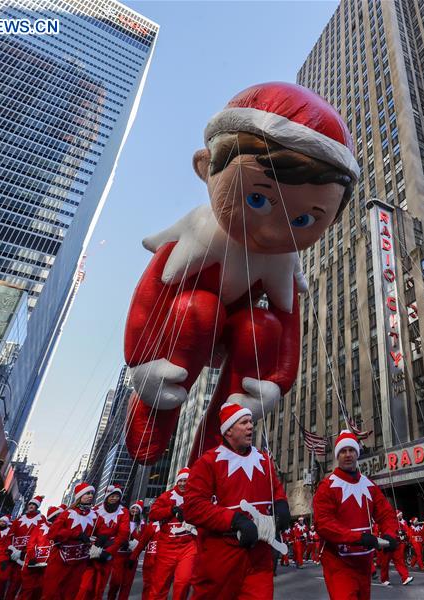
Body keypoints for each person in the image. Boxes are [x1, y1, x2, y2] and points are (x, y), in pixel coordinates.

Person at [123, 82, 359, 465]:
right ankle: (154, 411)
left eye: (302, 220)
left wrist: (275, 381)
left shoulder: (282, 262)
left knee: (262, 327)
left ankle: (217, 446)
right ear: (206, 167)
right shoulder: (199, 233)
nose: (272, 233)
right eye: (256, 198)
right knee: (198, 308)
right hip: (185, 328)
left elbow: (288, 328)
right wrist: (140, 359)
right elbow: (151, 295)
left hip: (237, 333)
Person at [182, 402, 292, 599]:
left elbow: (276, 489)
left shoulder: (264, 460)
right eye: (244, 423)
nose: (250, 426)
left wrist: (281, 504)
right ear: (228, 431)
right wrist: (234, 520)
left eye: (251, 422)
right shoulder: (208, 462)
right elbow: (192, 506)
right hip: (221, 557)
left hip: (259, 556)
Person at [313, 430, 400, 599]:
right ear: (337, 456)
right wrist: (358, 538)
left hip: (364, 563)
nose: (348, 455)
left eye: (351, 450)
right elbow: (323, 523)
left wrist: (390, 534)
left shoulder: (369, 485)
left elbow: (386, 514)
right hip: (338, 564)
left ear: (357, 453)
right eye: (343, 451)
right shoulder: (327, 486)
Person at [148, 467, 197, 599]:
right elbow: (152, 514)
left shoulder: (196, 496)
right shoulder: (166, 496)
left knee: (184, 582)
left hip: (188, 547)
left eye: (186, 480)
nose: (183, 484)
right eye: (180, 481)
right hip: (166, 548)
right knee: (159, 586)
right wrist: (171, 510)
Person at [44, 483, 98, 599]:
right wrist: (76, 534)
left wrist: (100, 541)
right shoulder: (67, 513)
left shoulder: (95, 516)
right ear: (79, 496)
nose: (90, 496)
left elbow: (102, 533)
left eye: (91, 493)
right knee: (51, 592)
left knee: (71, 594)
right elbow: (52, 533)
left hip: (80, 561)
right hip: (60, 559)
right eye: (87, 493)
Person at [77, 485, 130, 599]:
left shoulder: (124, 512)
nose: (114, 498)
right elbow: (89, 529)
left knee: (100, 586)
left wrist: (109, 551)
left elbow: (123, 533)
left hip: (108, 551)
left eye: (117, 496)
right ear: (106, 496)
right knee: (85, 585)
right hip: (92, 550)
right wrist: (92, 546)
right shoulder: (96, 509)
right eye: (112, 496)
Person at [19, 504, 63, 600]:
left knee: (40, 591)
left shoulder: (60, 530)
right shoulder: (39, 527)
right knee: (27, 590)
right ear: (52, 516)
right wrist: (31, 557)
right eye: (58, 516)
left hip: (48, 566)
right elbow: (31, 544)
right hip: (33, 565)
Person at [7, 495, 45, 599]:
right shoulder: (19, 519)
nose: (31, 506)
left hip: (29, 556)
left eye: (34, 504)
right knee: (13, 583)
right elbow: (10, 535)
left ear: (37, 507)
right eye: (30, 504)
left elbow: (42, 538)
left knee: (26, 586)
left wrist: (29, 554)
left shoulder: (41, 519)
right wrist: (11, 549)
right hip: (15, 555)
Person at [107, 499, 145, 600]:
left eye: (137, 509)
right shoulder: (123, 520)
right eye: (133, 508)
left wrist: (134, 544)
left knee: (127, 583)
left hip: (132, 556)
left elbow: (143, 540)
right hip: (119, 555)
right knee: (115, 581)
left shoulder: (142, 524)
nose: (134, 510)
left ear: (140, 511)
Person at [377, 511, 412, 586]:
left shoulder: (398, 523)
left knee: (399, 561)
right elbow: (379, 531)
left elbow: (403, 530)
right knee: (385, 563)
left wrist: (403, 533)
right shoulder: (384, 522)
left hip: (396, 543)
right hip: (387, 544)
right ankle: (384, 579)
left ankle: (405, 577)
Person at [135, 519, 160, 599]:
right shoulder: (153, 525)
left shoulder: (172, 524)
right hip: (150, 560)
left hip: (163, 561)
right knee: (148, 585)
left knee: (160, 588)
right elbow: (143, 542)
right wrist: (133, 557)